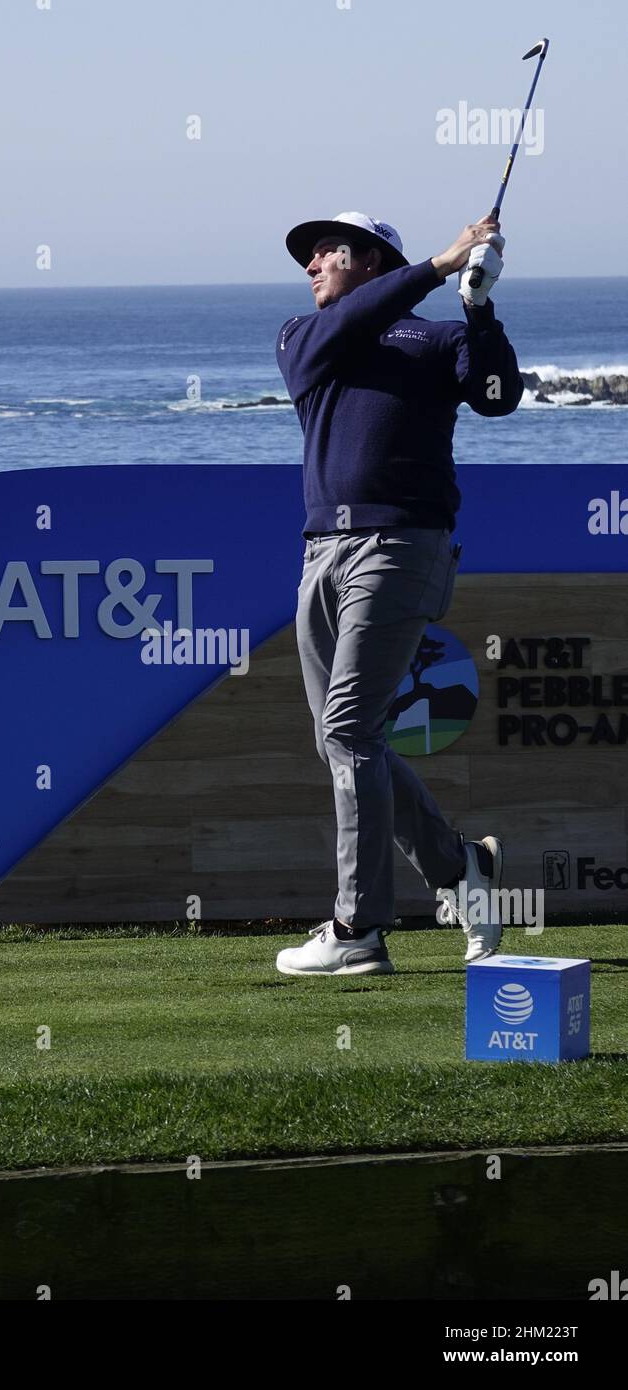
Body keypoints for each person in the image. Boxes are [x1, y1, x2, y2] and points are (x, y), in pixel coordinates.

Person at [274, 210, 524, 978]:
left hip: (401, 546)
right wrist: (443, 264)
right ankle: (459, 870)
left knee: (347, 729)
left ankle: (358, 929)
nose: (313, 264)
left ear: (374, 260)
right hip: (321, 553)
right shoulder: (302, 335)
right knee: (349, 741)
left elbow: (497, 396)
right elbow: (335, 332)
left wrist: (477, 306)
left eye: (329, 251)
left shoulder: (436, 339)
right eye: (309, 255)